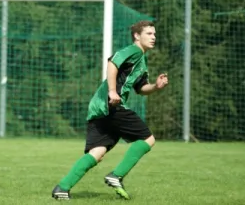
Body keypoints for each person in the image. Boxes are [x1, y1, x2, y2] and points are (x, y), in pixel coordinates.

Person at [51, 20, 169, 201]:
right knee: (148, 139)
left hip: (99, 107)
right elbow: (113, 62)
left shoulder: (141, 61)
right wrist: (113, 91)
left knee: (97, 153)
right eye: (149, 34)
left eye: (154, 34)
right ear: (137, 36)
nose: (154, 37)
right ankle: (116, 175)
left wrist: (155, 86)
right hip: (112, 104)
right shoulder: (133, 51)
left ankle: (62, 188)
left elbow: (141, 88)